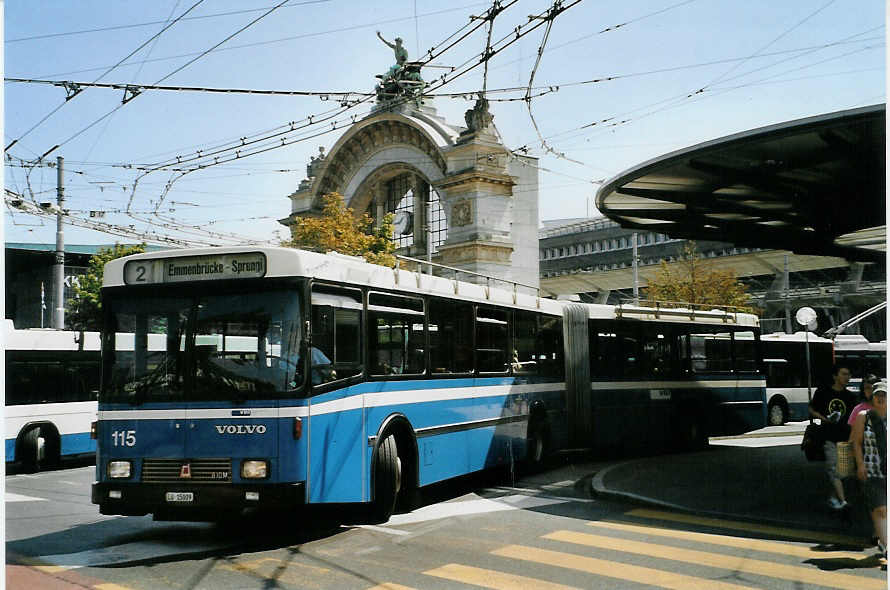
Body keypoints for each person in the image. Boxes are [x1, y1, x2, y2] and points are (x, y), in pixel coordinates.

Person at [809, 364, 856, 510]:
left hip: (845, 438)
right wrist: (822, 418)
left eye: (848, 374)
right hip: (828, 437)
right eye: (843, 374)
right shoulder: (823, 392)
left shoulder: (850, 397)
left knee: (845, 474)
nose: (847, 377)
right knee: (834, 469)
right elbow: (811, 408)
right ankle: (843, 502)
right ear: (835, 376)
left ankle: (833, 497)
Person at [851, 380, 887, 556]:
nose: (881, 398)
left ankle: (884, 540)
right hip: (872, 472)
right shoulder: (863, 416)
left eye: (884, 395)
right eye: (878, 395)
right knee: (880, 509)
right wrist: (860, 465)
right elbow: (856, 443)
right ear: (872, 397)